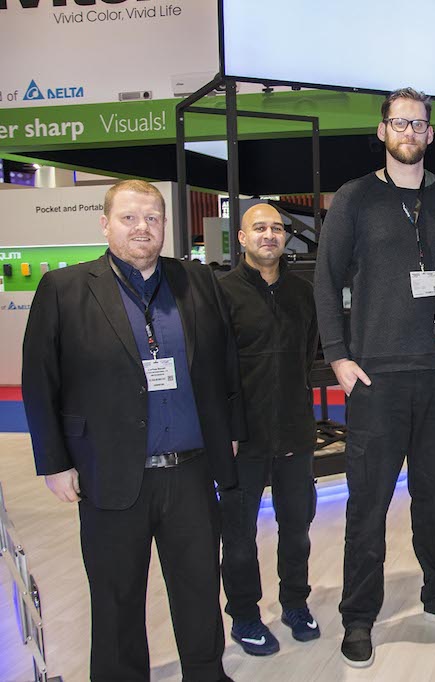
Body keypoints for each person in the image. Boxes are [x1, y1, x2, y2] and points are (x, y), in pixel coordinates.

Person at [22, 179, 243, 681]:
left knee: (199, 588)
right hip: (111, 472)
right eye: (129, 218)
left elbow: (226, 362)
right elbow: (40, 381)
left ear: (165, 225)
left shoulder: (197, 280)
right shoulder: (64, 289)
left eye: (152, 218)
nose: (142, 227)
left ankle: (206, 674)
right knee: (116, 596)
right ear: (105, 224)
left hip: (190, 473)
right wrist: (55, 463)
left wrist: (229, 430)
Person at [314, 86, 435, 668]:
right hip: (376, 379)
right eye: (399, 123)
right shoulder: (355, 198)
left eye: (418, 124)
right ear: (382, 130)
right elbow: (326, 279)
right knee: (368, 505)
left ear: (430, 134)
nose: (409, 132)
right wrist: (338, 356)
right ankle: (359, 615)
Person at [218, 203, 320, 655]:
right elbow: (212, 366)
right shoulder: (222, 293)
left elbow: (307, 353)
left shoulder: (302, 292)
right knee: (239, 536)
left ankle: (295, 603)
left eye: (277, 228)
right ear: (242, 238)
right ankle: (244, 615)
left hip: (295, 431)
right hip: (242, 438)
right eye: (259, 227)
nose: (269, 235)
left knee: (296, 528)